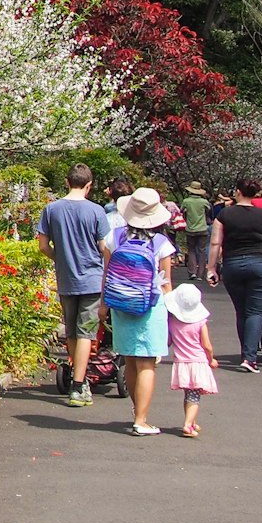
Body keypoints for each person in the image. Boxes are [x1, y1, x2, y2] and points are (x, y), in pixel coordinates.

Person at [103, 187, 178, 436]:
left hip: (121, 304)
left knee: (131, 360)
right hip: (150, 307)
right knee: (147, 363)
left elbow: (107, 275)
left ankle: (138, 412)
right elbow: (166, 284)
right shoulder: (161, 244)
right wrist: (173, 314)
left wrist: (104, 305)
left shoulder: (114, 238)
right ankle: (141, 419)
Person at [36, 164, 111, 407]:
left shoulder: (51, 209)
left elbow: (43, 246)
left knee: (70, 331)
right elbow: (104, 247)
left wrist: (62, 259)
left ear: (67, 182)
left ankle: (75, 377)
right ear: (89, 185)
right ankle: (79, 385)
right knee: (86, 332)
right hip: (91, 280)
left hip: (66, 279)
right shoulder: (97, 211)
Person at [207, 176, 262, 373]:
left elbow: (215, 243)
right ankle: (250, 357)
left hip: (233, 265)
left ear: (237, 192)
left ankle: (245, 352)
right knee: (256, 311)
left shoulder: (224, 215)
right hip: (261, 265)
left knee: (242, 310)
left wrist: (211, 268)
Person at [165, 282, 218, 437]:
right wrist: (211, 359)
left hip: (181, 363)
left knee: (189, 394)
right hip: (198, 363)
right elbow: (207, 345)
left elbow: (168, 342)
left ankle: (191, 420)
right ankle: (188, 424)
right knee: (194, 396)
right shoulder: (200, 322)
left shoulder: (172, 322)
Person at [179, 181, 212, 280]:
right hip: (202, 228)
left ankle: (192, 272)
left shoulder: (186, 201)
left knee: (191, 250)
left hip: (190, 229)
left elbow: (181, 211)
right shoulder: (204, 202)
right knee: (201, 251)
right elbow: (209, 211)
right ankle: (200, 274)